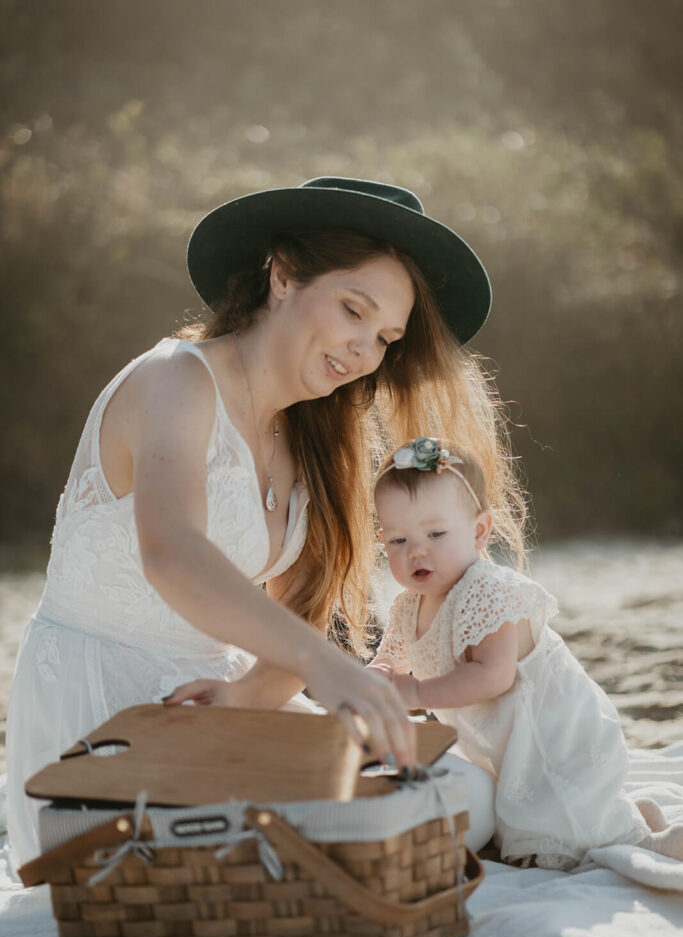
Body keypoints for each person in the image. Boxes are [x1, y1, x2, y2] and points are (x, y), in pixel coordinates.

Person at [6, 178, 513, 870]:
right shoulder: (175, 380)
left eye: (385, 337)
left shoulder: (309, 438)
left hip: (217, 705)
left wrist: (249, 692)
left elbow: (298, 616)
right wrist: (329, 670)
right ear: (282, 276)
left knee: (460, 792)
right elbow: (173, 553)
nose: (363, 349)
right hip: (103, 707)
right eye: (352, 310)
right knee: (328, 837)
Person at [369, 436, 683, 869]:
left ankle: (650, 842)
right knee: (523, 814)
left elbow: (492, 676)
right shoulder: (408, 606)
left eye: (435, 533)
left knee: (569, 832)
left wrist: (417, 694)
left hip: (552, 733)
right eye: (398, 540)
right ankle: (629, 820)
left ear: (479, 532)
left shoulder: (487, 592)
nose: (416, 551)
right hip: (502, 741)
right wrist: (378, 674)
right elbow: (391, 658)